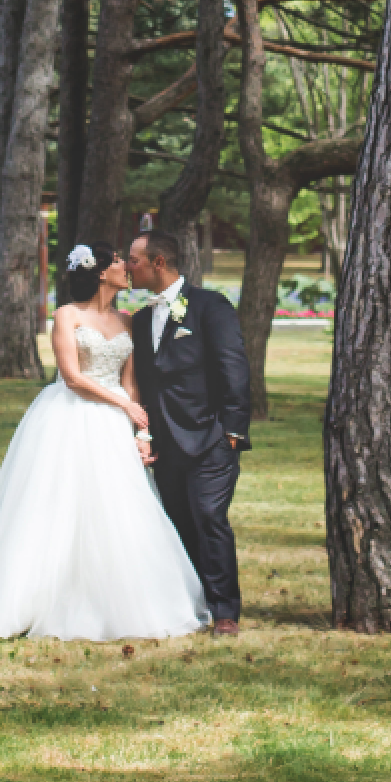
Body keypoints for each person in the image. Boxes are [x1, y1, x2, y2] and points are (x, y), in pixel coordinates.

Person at [0, 241, 209, 641]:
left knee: (117, 508)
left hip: (114, 421)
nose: (127, 266)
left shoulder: (128, 321)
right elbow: (72, 376)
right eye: (120, 261)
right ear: (102, 271)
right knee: (55, 506)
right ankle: (30, 602)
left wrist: (141, 430)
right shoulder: (67, 315)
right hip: (69, 415)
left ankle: (122, 602)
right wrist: (122, 406)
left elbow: (131, 381)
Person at [126, 227, 252, 635]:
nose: (128, 268)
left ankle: (225, 612)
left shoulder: (209, 307)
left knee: (210, 518)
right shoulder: (142, 320)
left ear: (158, 263)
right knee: (178, 523)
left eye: (134, 261)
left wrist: (231, 432)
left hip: (211, 438)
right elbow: (143, 381)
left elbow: (233, 368)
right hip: (166, 444)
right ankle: (191, 605)